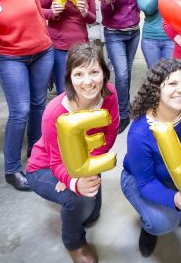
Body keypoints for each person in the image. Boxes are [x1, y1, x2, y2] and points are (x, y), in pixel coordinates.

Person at [26, 43, 119, 263]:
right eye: (79, 74)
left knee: (91, 213)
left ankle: (79, 199)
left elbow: (110, 135)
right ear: (69, 77)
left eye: (94, 72)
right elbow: (55, 159)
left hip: (84, 159)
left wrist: (88, 168)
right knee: (78, 197)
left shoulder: (110, 95)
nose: (88, 81)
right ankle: (73, 241)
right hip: (44, 167)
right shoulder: (55, 112)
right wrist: (71, 179)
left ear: (104, 73)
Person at [121, 59, 181, 257]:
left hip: (179, 174)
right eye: (172, 84)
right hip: (144, 178)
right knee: (162, 223)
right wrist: (175, 199)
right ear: (157, 89)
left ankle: (167, 209)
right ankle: (149, 225)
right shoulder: (140, 132)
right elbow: (145, 182)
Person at [0, 0, 54, 191]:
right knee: (20, 111)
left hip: (43, 52)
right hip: (11, 58)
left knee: (38, 105)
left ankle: (34, 152)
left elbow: (40, 16)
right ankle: (11, 170)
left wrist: (45, 39)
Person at [39, 0, 96, 94]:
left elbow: (92, 18)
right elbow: (36, 11)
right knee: (64, 89)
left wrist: (84, 12)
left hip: (82, 46)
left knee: (83, 87)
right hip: (59, 47)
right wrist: (52, 12)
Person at [99, 0, 140, 133]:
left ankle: (126, 105)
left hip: (133, 33)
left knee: (128, 72)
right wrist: (107, 0)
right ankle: (122, 113)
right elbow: (106, 14)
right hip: (115, 34)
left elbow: (136, 6)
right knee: (122, 74)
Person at [136, 0, 174, 68]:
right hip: (150, 41)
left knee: (170, 75)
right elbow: (149, 9)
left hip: (171, 40)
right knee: (155, 77)